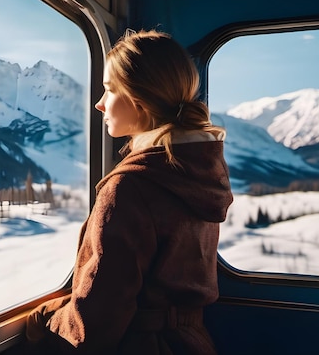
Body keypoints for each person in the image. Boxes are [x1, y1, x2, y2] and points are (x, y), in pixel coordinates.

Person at [23, 29, 233, 354]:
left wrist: (47, 321)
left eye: (109, 90)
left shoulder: (132, 187)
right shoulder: (196, 172)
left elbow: (98, 319)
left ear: (139, 99)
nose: (100, 104)